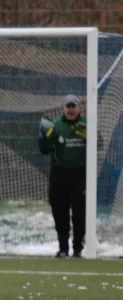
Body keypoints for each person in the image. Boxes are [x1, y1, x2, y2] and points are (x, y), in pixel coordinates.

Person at [39, 94, 101, 258]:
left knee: (80, 212)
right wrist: (44, 137)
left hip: (80, 174)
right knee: (59, 212)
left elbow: (99, 144)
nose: (71, 109)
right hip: (59, 174)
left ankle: (78, 248)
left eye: (74, 106)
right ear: (63, 108)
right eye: (68, 106)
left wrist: (89, 136)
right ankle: (63, 248)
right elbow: (44, 150)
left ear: (80, 108)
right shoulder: (56, 125)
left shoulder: (87, 124)